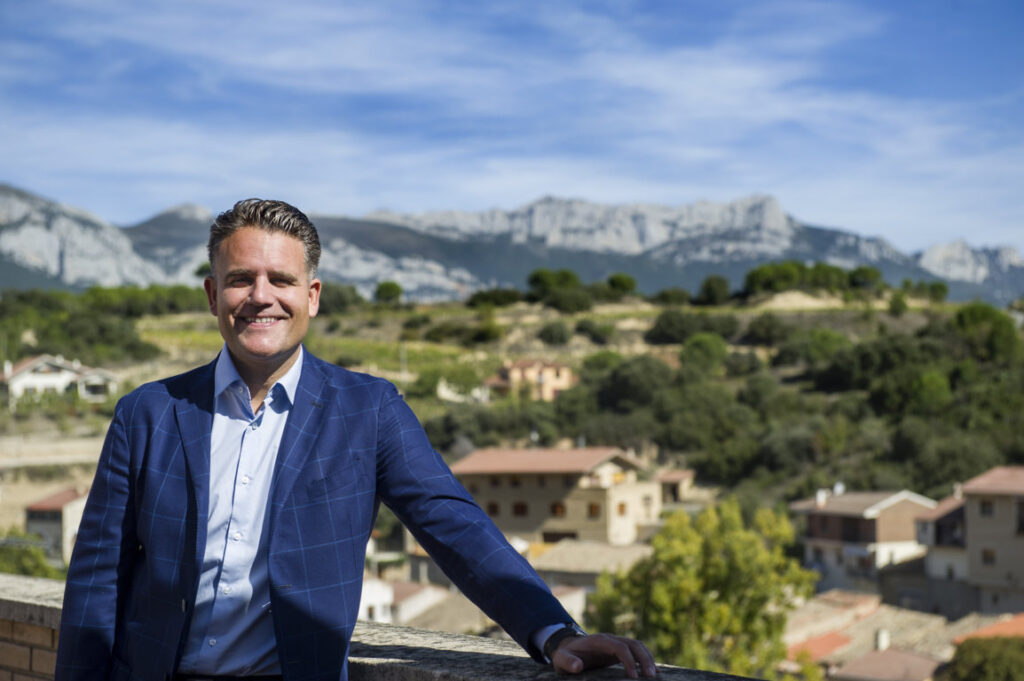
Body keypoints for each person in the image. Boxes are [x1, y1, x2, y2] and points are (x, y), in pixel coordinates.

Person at [55, 199, 656, 681]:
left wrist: (556, 634)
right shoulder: (148, 413)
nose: (261, 296)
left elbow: (455, 528)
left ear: (311, 298)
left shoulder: (369, 410)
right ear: (214, 296)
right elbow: (96, 581)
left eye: (281, 279)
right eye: (241, 279)